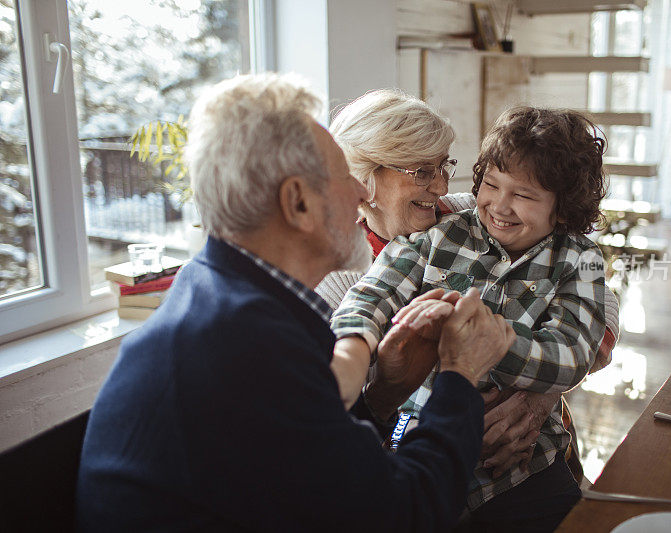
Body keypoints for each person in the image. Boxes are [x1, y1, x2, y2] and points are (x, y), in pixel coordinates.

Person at [75, 73, 516, 532]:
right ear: (297, 203)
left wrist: (387, 391)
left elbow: (318, 454)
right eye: (343, 176)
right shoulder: (245, 342)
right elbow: (405, 513)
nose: (362, 193)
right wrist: (459, 375)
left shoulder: (227, 293)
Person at [331, 106, 609, 532]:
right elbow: (369, 297)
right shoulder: (433, 237)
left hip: (521, 467)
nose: (499, 205)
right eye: (491, 185)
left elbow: (577, 348)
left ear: (564, 208)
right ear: (365, 180)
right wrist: (352, 350)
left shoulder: (579, 257)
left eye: (524, 195)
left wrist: (497, 345)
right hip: (418, 445)